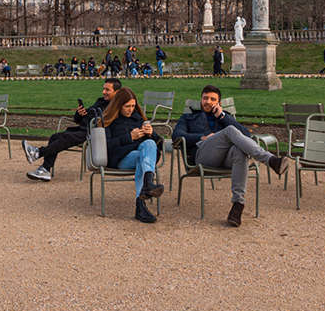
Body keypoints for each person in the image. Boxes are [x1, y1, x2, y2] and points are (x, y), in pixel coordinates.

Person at [171, 85, 288, 226]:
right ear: (201, 100)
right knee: (230, 131)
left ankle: (237, 206)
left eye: (212, 99)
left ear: (219, 103)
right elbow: (177, 136)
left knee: (240, 150)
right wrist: (202, 137)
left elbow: (246, 135)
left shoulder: (224, 117)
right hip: (202, 157)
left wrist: (222, 116)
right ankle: (270, 160)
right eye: (205, 98)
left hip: (225, 159)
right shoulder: (189, 117)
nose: (208, 102)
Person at [21, 78, 121, 181]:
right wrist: (80, 113)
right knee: (55, 137)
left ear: (117, 92)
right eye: (103, 89)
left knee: (67, 137)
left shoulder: (115, 107)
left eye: (107, 90)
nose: (104, 92)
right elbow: (78, 120)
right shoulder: (101, 101)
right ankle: (45, 169)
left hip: (94, 133)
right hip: (83, 129)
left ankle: (38, 153)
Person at [101, 87, 164, 223]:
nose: (130, 109)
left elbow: (159, 146)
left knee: (149, 144)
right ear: (118, 105)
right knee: (141, 156)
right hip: (120, 159)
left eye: (133, 106)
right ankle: (146, 190)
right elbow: (104, 145)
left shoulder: (138, 119)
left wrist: (151, 134)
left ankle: (142, 198)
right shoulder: (108, 121)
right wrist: (129, 137)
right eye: (127, 106)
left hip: (139, 156)